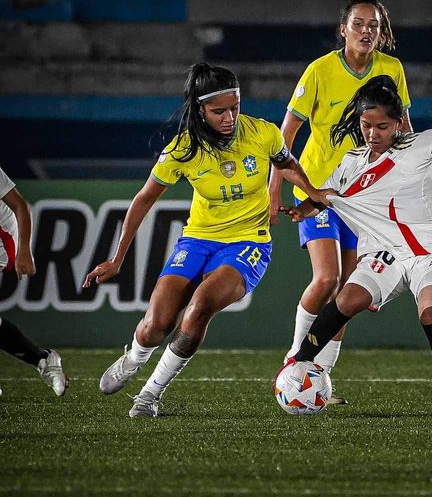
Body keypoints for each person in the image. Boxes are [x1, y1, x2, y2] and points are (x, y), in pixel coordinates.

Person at [83, 63, 330, 419]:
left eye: (235, 107)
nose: (230, 117)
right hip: (197, 240)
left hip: (249, 242)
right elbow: (144, 199)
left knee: (199, 308)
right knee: (158, 323)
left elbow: (286, 162)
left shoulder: (262, 133)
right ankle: (133, 358)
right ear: (200, 110)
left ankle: (150, 395)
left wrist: (311, 191)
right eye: (219, 111)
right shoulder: (183, 149)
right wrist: (117, 258)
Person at [279, 75, 432, 416]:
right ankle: (299, 365)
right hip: (384, 254)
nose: (373, 134)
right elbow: (325, 197)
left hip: (431, 254)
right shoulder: (351, 160)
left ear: (397, 123)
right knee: (346, 299)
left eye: (382, 126)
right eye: (366, 125)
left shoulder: (418, 146)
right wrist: (300, 209)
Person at [268, 0, 412, 401]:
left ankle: (320, 376)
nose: (366, 31)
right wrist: (275, 188)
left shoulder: (391, 68)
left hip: (362, 194)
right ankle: (295, 360)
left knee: (347, 288)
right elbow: (286, 134)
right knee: (327, 277)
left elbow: (402, 130)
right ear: (343, 29)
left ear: (381, 32)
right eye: (358, 24)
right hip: (317, 189)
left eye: (374, 25)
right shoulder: (319, 71)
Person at [0, 166, 67, 397]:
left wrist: (24, 250)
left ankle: (43, 359)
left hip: (4, 236)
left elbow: (20, 205)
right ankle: (44, 359)